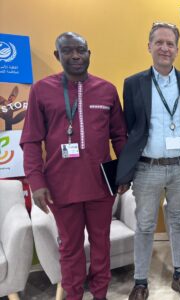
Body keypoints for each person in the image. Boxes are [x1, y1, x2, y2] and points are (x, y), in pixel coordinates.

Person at [20, 32, 128, 300]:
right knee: (70, 248)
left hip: (100, 187)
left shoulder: (107, 89)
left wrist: (125, 173)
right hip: (60, 187)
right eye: (68, 51)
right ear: (58, 56)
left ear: (90, 53)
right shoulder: (41, 90)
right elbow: (31, 141)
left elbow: (120, 137)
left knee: (101, 245)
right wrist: (37, 183)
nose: (76, 56)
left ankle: (100, 295)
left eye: (81, 50)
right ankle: (73, 296)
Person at [115, 22, 180, 300]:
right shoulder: (133, 83)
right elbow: (132, 127)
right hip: (147, 167)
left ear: (177, 49)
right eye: (159, 43)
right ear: (149, 47)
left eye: (170, 44)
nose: (165, 48)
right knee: (144, 224)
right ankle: (140, 281)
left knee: (179, 222)